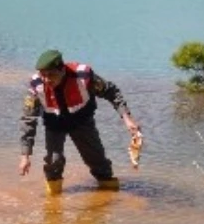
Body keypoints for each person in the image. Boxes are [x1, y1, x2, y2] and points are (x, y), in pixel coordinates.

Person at [19, 49, 142, 195]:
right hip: (54, 123)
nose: (46, 79)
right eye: (43, 74)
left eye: (51, 74)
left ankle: (109, 195)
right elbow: (28, 119)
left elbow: (111, 92)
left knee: (97, 160)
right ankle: (53, 204)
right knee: (53, 162)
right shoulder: (35, 85)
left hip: (81, 120)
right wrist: (25, 155)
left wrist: (127, 118)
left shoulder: (83, 76)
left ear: (62, 70)